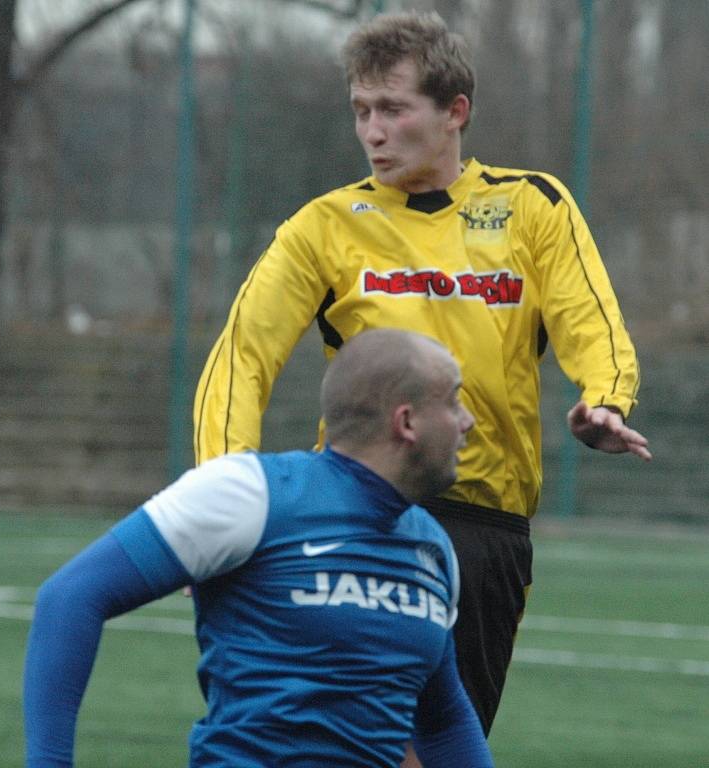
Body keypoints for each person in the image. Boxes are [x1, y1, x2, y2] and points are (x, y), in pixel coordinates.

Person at [192, 9, 652, 743]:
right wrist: (223, 487)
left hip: (482, 527)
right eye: (361, 111)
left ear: (453, 112)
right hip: (355, 518)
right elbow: (243, 354)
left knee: (438, 748)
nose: (372, 130)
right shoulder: (325, 224)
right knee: (340, 743)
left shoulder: (531, 206)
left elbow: (590, 322)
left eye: (393, 109)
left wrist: (603, 399)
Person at [23, 329, 493, 768]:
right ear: (406, 421)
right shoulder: (252, 492)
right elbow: (71, 596)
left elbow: (444, 720)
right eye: (453, 401)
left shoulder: (432, 547)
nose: (468, 421)